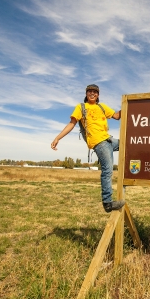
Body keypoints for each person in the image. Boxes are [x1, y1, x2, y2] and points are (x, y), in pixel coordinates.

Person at [51, 84, 125, 213]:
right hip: (99, 142)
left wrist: (131, 106)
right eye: (90, 91)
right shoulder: (81, 107)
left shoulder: (101, 107)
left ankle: (129, 178)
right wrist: (58, 138)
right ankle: (107, 202)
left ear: (98, 95)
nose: (92, 93)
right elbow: (72, 124)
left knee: (129, 144)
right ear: (86, 94)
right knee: (108, 170)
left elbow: (117, 116)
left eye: (95, 92)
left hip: (109, 139)